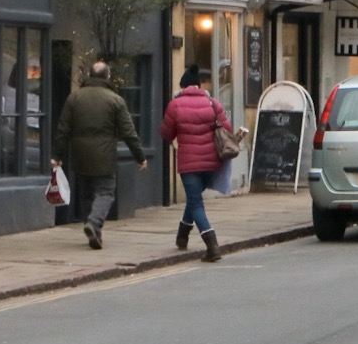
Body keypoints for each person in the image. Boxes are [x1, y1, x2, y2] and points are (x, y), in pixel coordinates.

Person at [52, 60, 146, 250]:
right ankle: (94, 223)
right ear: (107, 76)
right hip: (104, 156)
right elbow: (129, 132)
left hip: (79, 155)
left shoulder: (74, 98)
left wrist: (57, 155)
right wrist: (140, 156)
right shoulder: (115, 100)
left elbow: (63, 129)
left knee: (86, 195)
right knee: (105, 193)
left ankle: (95, 235)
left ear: (90, 76)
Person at [161, 65, 234, 262]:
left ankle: (212, 246)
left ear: (182, 86)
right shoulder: (213, 103)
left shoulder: (175, 105)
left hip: (189, 163)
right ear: (199, 86)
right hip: (212, 162)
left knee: (196, 202)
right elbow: (227, 129)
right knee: (194, 200)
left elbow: (166, 134)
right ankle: (182, 235)